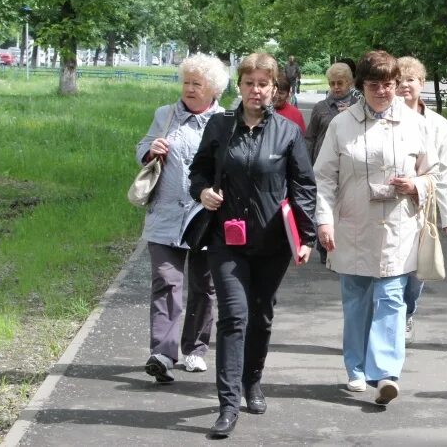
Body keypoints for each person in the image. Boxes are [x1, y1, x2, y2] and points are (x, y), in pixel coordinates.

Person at [188, 52, 317, 438]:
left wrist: (306, 237)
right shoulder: (219, 126)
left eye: (263, 84)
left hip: (272, 242)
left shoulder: (287, 132)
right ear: (240, 87)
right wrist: (203, 192)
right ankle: (227, 406)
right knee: (233, 318)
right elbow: (198, 171)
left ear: (273, 89)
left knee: (260, 315)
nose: (256, 90)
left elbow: (303, 188)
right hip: (225, 239)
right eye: (249, 83)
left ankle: (252, 382)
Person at [313, 50, 436, 406]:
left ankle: (385, 373)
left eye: (388, 85)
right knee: (357, 300)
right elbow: (323, 178)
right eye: (374, 85)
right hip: (352, 224)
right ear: (360, 86)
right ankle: (355, 368)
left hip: (399, 227)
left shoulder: (417, 124)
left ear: (397, 85)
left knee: (392, 298)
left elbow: (433, 174)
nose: (382, 92)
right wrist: (324, 221)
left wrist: (415, 186)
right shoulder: (341, 124)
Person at [136, 53, 229, 384]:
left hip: (206, 219)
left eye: (197, 84)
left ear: (213, 88)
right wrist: (151, 150)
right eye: (186, 82)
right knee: (166, 281)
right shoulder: (165, 115)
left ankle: (195, 348)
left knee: (204, 286)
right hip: (165, 214)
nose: (189, 89)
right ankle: (162, 352)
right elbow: (141, 148)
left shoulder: (225, 120)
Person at [395, 56, 447, 343]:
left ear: (421, 84)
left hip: (423, 207)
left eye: (410, 80)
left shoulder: (437, 124)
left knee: (417, 269)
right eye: (398, 81)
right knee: (390, 269)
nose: (404, 86)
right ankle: (391, 319)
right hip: (390, 204)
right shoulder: (384, 119)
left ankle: (407, 311)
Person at [304, 61, 359, 164]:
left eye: (340, 83)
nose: (336, 87)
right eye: (332, 83)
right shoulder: (320, 107)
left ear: (349, 82)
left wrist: (353, 113)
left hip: (350, 164)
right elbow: (310, 139)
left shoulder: (359, 105)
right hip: (323, 163)